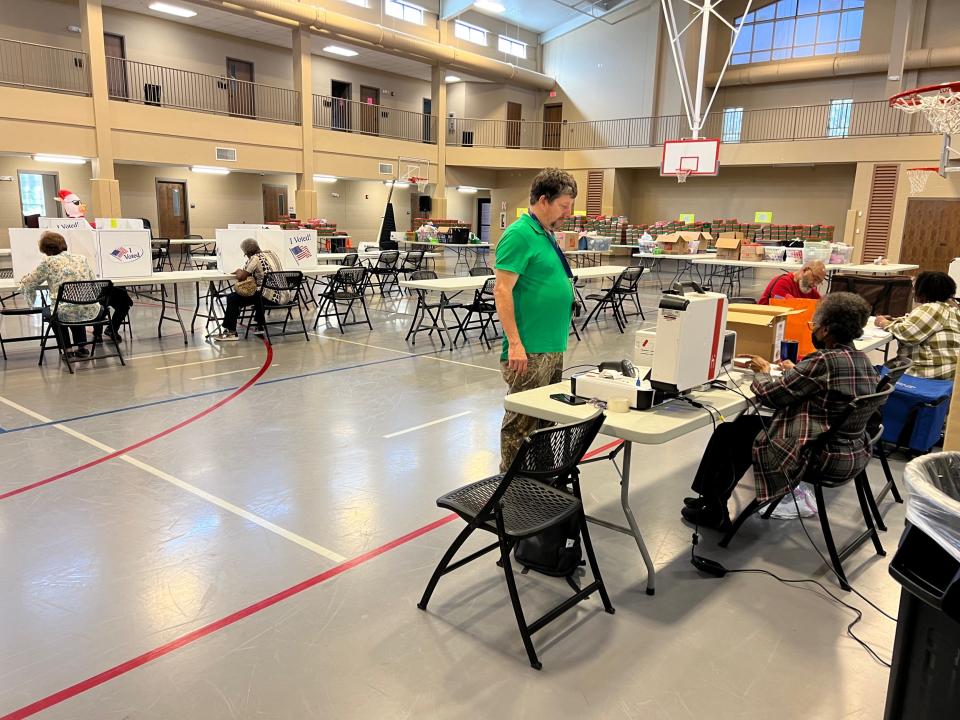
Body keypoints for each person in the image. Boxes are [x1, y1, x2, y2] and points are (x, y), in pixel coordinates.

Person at [681, 292, 880, 531]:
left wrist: (763, 370)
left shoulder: (824, 361)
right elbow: (819, 386)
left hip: (819, 456)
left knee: (729, 434)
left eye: (813, 325)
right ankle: (712, 499)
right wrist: (798, 371)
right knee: (744, 427)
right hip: (851, 450)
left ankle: (713, 507)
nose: (813, 329)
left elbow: (772, 396)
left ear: (826, 330)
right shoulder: (862, 359)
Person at [493, 168, 577, 471]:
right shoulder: (519, 234)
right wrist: (515, 344)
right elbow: (502, 291)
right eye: (563, 206)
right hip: (528, 348)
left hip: (551, 345)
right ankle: (511, 485)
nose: (568, 213)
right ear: (543, 200)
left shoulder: (545, 233)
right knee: (522, 422)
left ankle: (539, 478)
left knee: (546, 419)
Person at [18, 231, 99, 358]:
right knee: (76, 306)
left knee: (56, 312)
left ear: (46, 249)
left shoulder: (49, 262)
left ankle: (67, 350)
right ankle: (82, 347)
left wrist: (23, 279)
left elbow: (30, 282)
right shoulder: (81, 258)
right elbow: (93, 282)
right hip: (89, 307)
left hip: (64, 310)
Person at [874, 271, 960, 379]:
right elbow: (913, 321)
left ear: (924, 292)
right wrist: (896, 320)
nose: (914, 291)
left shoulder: (931, 308)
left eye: (915, 288)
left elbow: (907, 334)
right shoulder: (952, 309)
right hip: (951, 372)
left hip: (928, 373)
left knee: (871, 373)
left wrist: (884, 323)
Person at [212, 238, 290, 342]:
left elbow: (242, 277)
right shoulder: (272, 253)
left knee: (233, 298)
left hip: (270, 298)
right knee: (258, 291)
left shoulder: (255, 258)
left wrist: (239, 270)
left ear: (248, 252)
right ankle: (260, 325)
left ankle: (231, 332)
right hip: (285, 295)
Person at [758, 260, 827, 305]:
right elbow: (789, 308)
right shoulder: (782, 283)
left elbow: (822, 307)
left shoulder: (810, 290)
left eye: (819, 282)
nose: (814, 284)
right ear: (805, 270)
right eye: (815, 278)